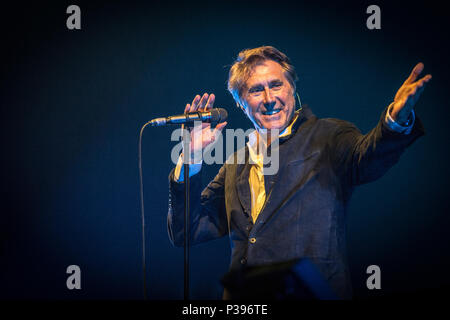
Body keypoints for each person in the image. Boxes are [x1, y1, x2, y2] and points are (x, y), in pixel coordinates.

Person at [167, 46, 431, 299]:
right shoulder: (236, 163)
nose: (270, 99)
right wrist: (191, 155)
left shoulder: (328, 136)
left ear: (293, 87)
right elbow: (186, 231)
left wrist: (395, 120)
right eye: (256, 90)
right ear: (240, 102)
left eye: (276, 85)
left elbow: (369, 158)